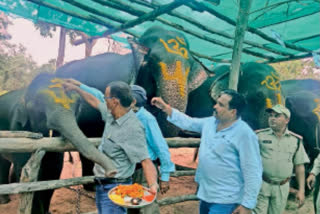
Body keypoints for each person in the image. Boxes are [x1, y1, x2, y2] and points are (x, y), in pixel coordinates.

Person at [151, 89, 262, 214]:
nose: (215, 107)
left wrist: (247, 204)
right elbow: (189, 122)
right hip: (206, 193)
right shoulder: (210, 123)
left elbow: (253, 170)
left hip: (226, 198)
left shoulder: (244, 134)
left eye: (221, 105)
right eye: (216, 103)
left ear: (233, 112)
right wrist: (166, 108)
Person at [62, 79, 158, 214]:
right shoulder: (111, 114)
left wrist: (153, 185)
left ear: (115, 101)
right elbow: (95, 102)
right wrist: (77, 89)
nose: (103, 99)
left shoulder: (132, 129)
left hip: (117, 188)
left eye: (106, 97)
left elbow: (145, 161)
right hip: (102, 185)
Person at [127, 85, 175, 214]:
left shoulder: (147, 119)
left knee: (147, 206)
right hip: (130, 169)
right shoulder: (128, 116)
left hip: (145, 170)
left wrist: (165, 176)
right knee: (131, 204)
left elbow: (161, 148)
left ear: (133, 102)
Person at [253, 104, 310, 214]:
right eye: (271, 115)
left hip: (282, 187)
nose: (272, 118)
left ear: (287, 120)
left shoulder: (295, 140)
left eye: (277, 116)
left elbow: (299, 167)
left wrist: (301, 191)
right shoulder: (259, 136)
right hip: (262, 184)